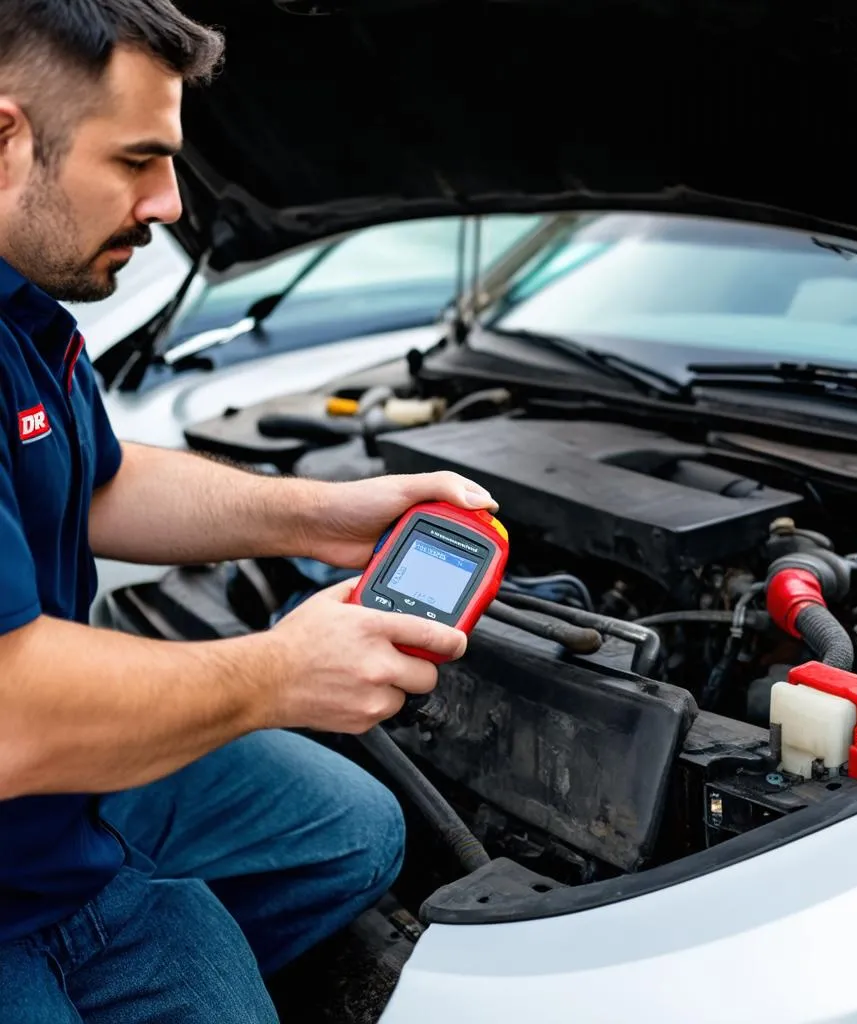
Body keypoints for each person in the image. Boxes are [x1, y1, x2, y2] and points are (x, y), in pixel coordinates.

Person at [0, 2, 497, 1020]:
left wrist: (320, 515)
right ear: (5, 136)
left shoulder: (25, 306)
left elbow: (95, 481)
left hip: (49, 818)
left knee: (352, 828)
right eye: (137, 160)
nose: (170, 203)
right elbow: (12, 717)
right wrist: (277, 674)